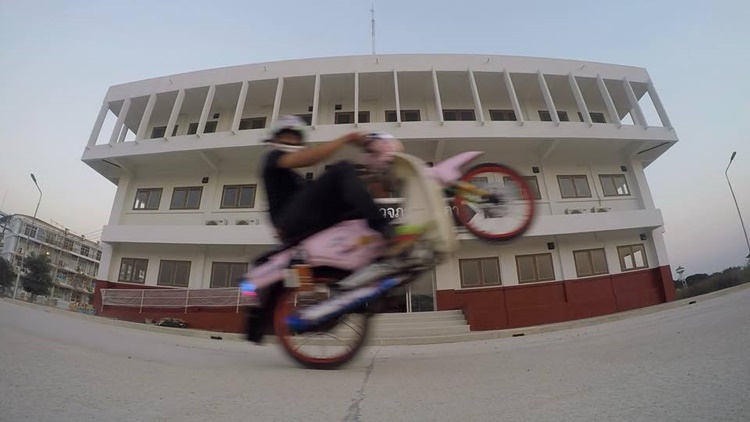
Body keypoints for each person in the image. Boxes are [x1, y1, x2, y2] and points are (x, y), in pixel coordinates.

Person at [260, 115, 397, 246]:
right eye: (285, 136)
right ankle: (382, 228)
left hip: (303, 226)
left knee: (347, 201)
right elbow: (307, 159)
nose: (290, 140)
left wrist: (371, 179)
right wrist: (346, 139)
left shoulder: (295, 181)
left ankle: (377, 240)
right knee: (342, 168)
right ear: (276, 139)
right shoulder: (272, 158)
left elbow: (322, 196)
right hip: (288, 224)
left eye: (295, 137)